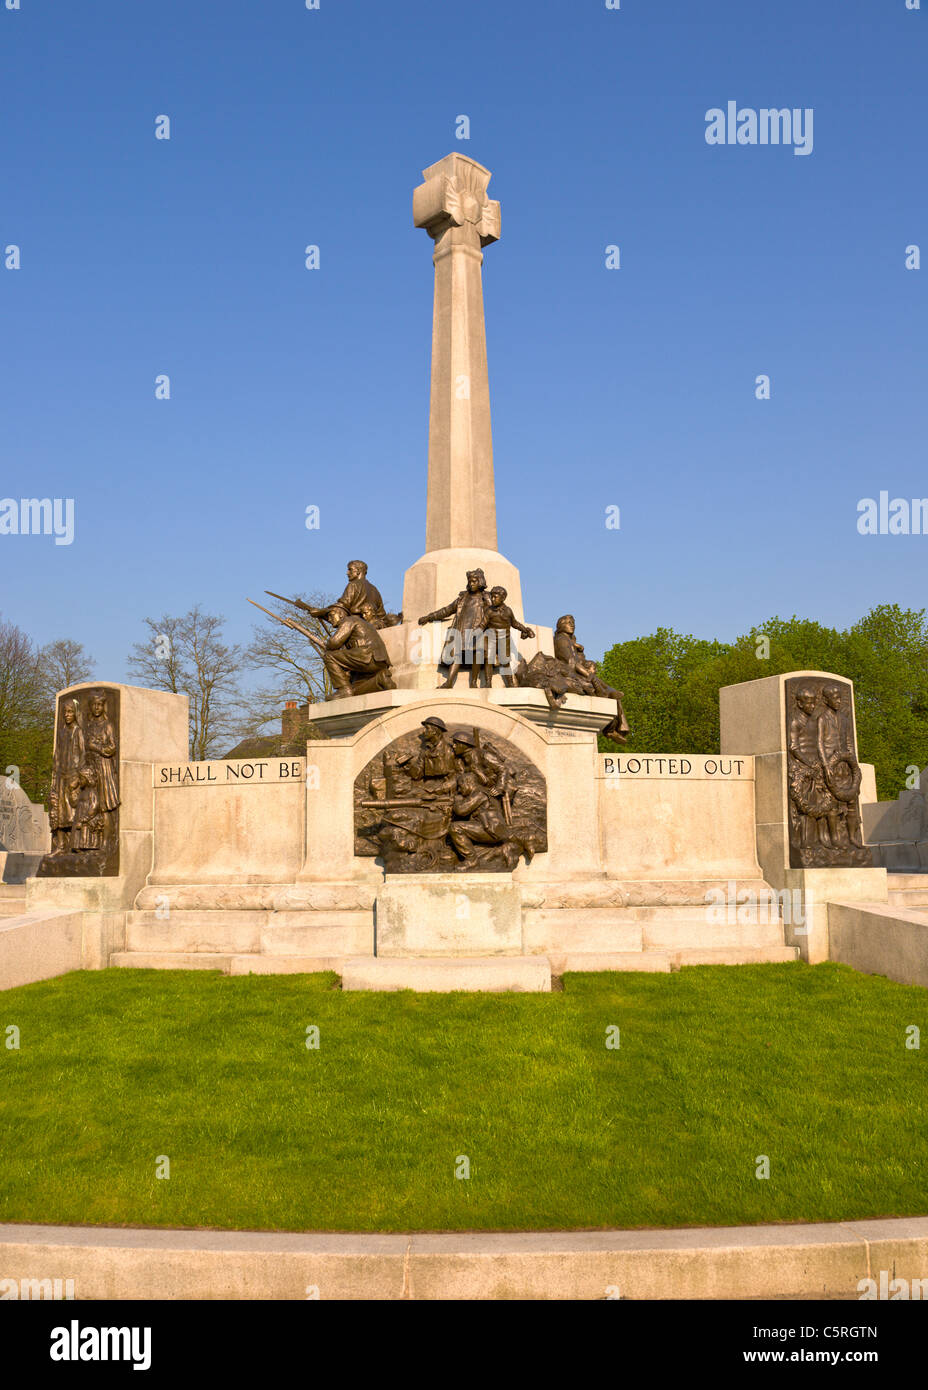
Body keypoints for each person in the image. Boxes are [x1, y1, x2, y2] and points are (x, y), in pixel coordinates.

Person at [418, 569, 490, 689]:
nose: (471, 584)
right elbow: (447, 610)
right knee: (457, 655)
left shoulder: (485, 597)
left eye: (474, 581)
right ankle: (449, 682)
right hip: (461, 630)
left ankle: (473, 682)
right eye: (470, 581)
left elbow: (491, 613)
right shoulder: (463, 597)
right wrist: (429, 617)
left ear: (480, 582)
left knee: (477, 654)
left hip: (478, 630)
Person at [321, 603, 394, 698]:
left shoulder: (348, 620)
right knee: (354, 690)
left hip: (366, 657)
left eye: (330, 616)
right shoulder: (364, 623)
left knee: (328, 656)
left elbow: (334, 643)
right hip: (380, 661)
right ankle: (380, 679)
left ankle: (343, 690)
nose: (329, 619)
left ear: (340, 614)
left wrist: (327, 646)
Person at [308, 561, 400, 629]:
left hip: (354, 628)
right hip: (371, 630)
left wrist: (321, 612)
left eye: (350, 570)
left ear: (358, 571)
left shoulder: (353, 585)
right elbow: (381, 615)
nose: (347, 573)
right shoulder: (375, 590)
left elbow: (342, 607)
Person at [49, 700, 85, 853]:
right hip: (60, 776)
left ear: (75, 713)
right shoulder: (62, 732)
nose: (67, 715)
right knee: (58, 811)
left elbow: (83, 754)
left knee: (73, 812)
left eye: (70, 712)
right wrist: (54, 776)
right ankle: (60, 845)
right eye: (65, 712)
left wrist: (78, 777)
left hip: (73, 776)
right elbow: (57, 755)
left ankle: (75, 845)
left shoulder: (78, 731)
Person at [483, 587, 535, 686]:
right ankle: (488, 682)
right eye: (492, 597)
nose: (492, 599)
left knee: (505, 662)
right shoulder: (489, 611)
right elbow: (482, 624)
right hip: (491, 639)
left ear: (502, 598)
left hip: (504, 639)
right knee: (488, 660)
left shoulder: (508, 611)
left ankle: (510, 682)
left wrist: (525, 630)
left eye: (495, 597)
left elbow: (514, 623)